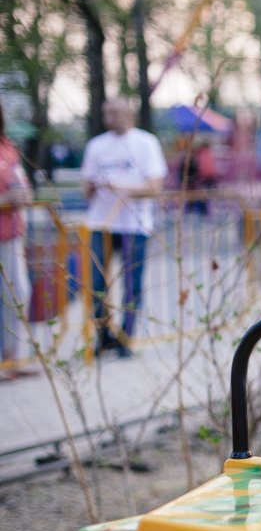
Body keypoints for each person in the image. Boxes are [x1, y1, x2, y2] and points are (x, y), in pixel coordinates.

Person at [81, 97, 167, 358]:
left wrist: (122, 188)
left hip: (134, 224)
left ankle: (125, 338)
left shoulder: (146, 142)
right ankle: (103, 334)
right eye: (106, 112)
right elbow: (86, 188)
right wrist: (94, 187)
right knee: (96, 282)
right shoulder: (96, 145)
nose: (109, 117)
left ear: (129, 114)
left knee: (132, 283)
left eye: (115, 112)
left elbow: (155, 187)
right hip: (101, 223)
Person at [0, 101, 34, 381]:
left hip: (11, 236)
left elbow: (21, 184)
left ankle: (12, 360)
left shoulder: (7, 146)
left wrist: (23, 194)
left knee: (17, 295)